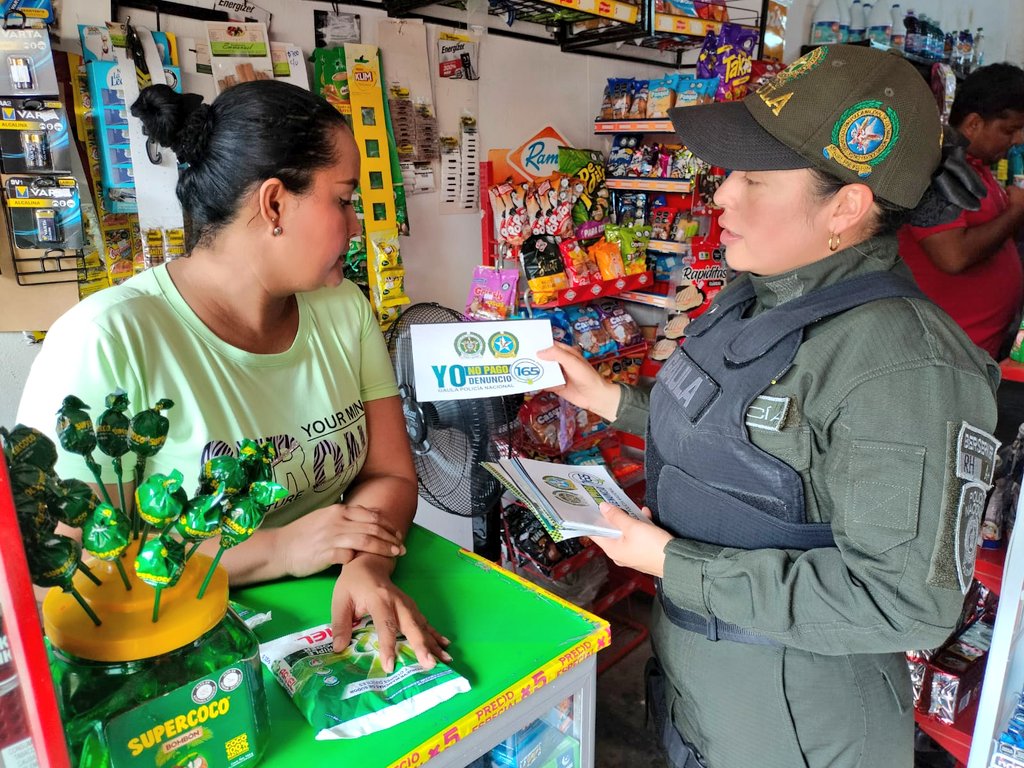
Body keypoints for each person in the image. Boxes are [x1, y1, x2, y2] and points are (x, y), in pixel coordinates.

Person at [540, 46, 999, 768]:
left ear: (847, 205)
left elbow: (903, 602)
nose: (721, 196)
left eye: (754, 177)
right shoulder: (758, 294)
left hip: (798, 723)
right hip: (698, 680)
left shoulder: (902, 366)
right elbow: (744, 436)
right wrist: (611, 401)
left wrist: (673, 563)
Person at [16, 81, 449, 672]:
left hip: (331, 629)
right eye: (343, 199)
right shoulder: (106, 339)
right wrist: (276, 550)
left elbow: (390, 472)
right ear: (274, 204)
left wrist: (364, 563)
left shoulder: (343, 308)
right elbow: (61, 570)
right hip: (178, 660)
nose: (355, 225)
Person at [898, 63, 1024, 360]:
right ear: (974, 124)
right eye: (1010, 130)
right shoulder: (937, 171)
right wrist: (1016, 211)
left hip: (980, 351)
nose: (1018, 140)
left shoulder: (977, 167)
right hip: (942, 353)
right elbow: (953, 257)